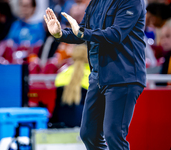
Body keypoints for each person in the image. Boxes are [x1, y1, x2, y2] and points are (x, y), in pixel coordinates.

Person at [44, 0, 146, 149]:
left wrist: (81, 32)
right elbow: (81, 32)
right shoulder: (96, 2)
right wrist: (60, 34)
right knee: (88, 134)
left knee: (114, 135)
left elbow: (115, 34)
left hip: (123, 75)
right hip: (98, 76)